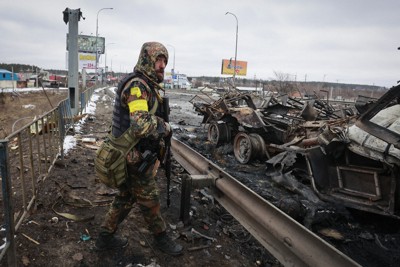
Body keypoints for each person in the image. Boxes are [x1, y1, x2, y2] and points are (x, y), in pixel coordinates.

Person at [95, 42, 183, 256]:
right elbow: (141, 123)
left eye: (164, 61)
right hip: (130, 156)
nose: (162, 65)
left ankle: (104, 238)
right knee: (149, 197)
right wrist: (166, 127)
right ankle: (162, 238)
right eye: (158, 60)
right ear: (147, 60)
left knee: (126, 197)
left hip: (132, 153)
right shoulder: (138, 86)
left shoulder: (148, 84)